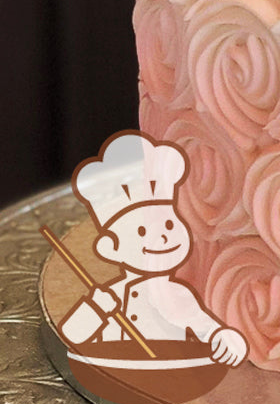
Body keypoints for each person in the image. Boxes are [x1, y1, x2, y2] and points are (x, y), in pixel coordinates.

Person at [58, 130, 247, 366]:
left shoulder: (178, 294)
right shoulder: (111, 295)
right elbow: (71, 335)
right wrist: (96, 307)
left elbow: (206, 326)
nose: (165, 237)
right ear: (110, 248)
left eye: (170, 225)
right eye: (142, 232)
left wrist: (223, 335)